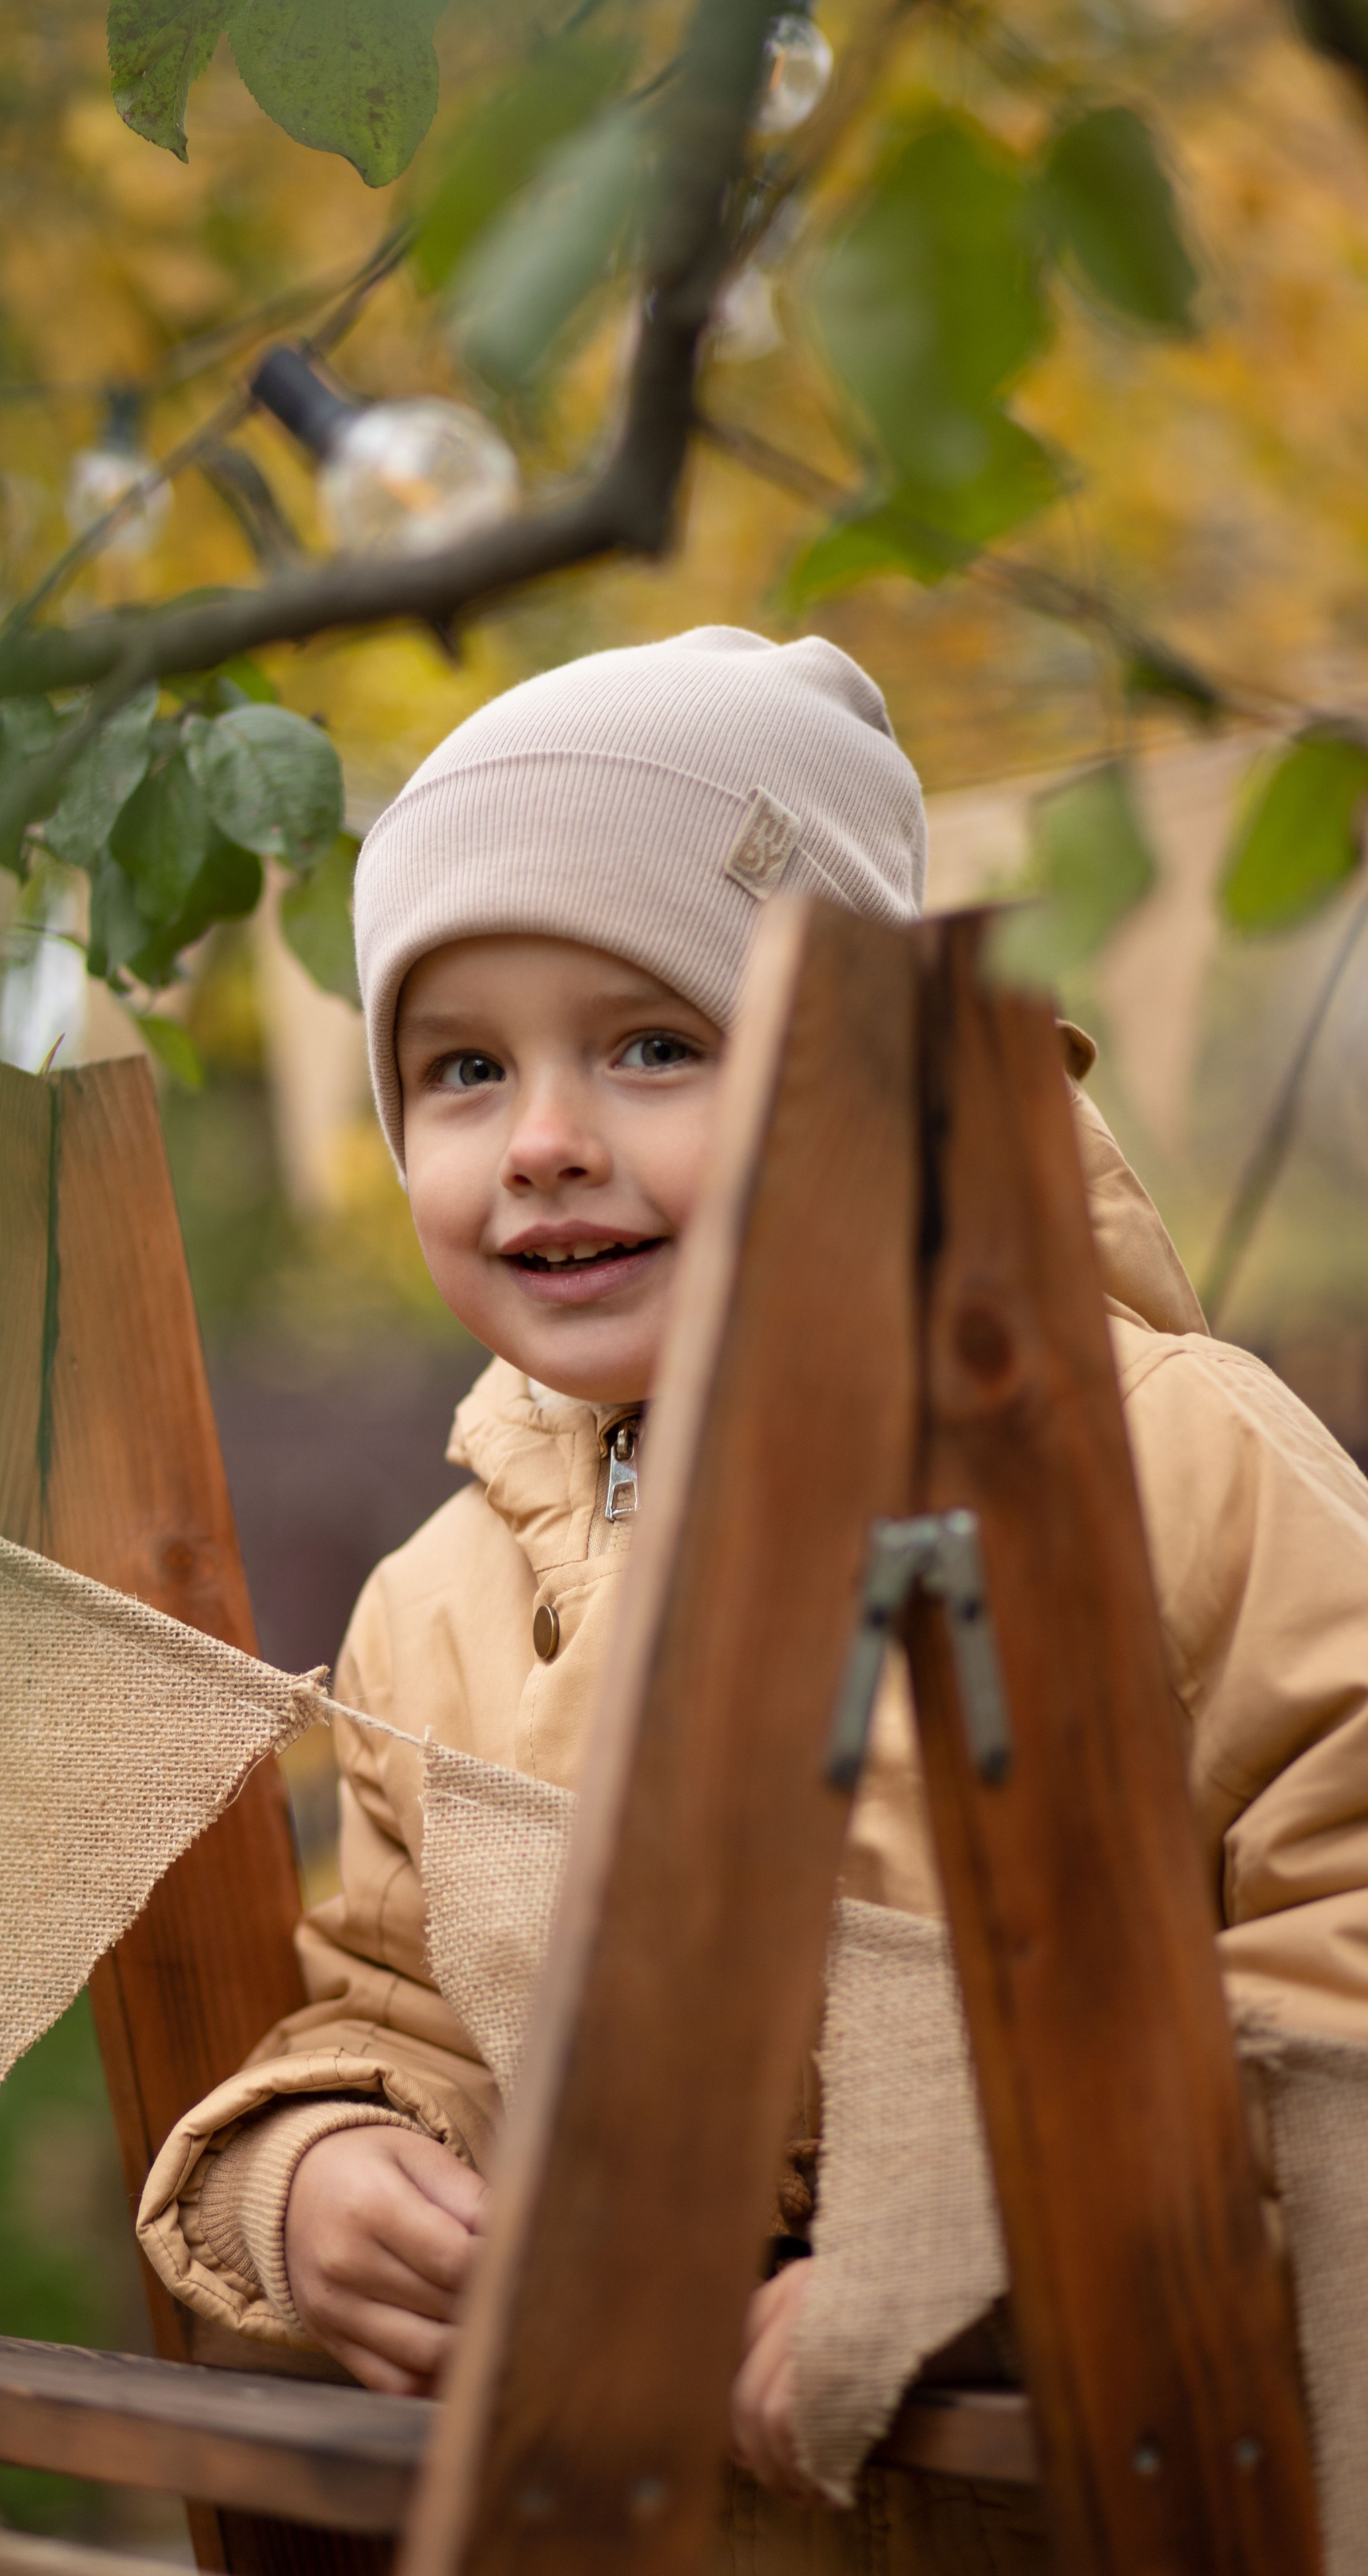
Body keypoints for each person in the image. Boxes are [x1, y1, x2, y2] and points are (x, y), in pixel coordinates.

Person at [138, 627, 1368, 2565]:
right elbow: (391, 2004)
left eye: (653, 1043)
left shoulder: (1159, 1461)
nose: (543, 1135)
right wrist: (333, 2163)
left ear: (862, 1072)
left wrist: (1003, 2228)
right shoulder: (438, 1603)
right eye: (463, 1069)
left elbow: (1347, 1941)